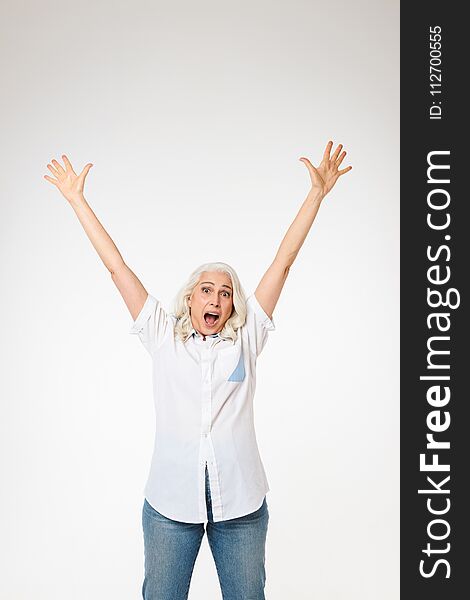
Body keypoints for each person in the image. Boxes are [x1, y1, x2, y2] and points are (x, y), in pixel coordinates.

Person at [43, 141, 352, 599]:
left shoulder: (247, 341)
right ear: (189, 298)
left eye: (225, 293)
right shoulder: (162, 336)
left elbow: (282, 264)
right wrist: (77, 200)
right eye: (206, 289)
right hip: (169, 507)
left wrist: (316, 195)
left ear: (233, 305)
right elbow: (116, 267)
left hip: (241, 507)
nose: (215, 298)